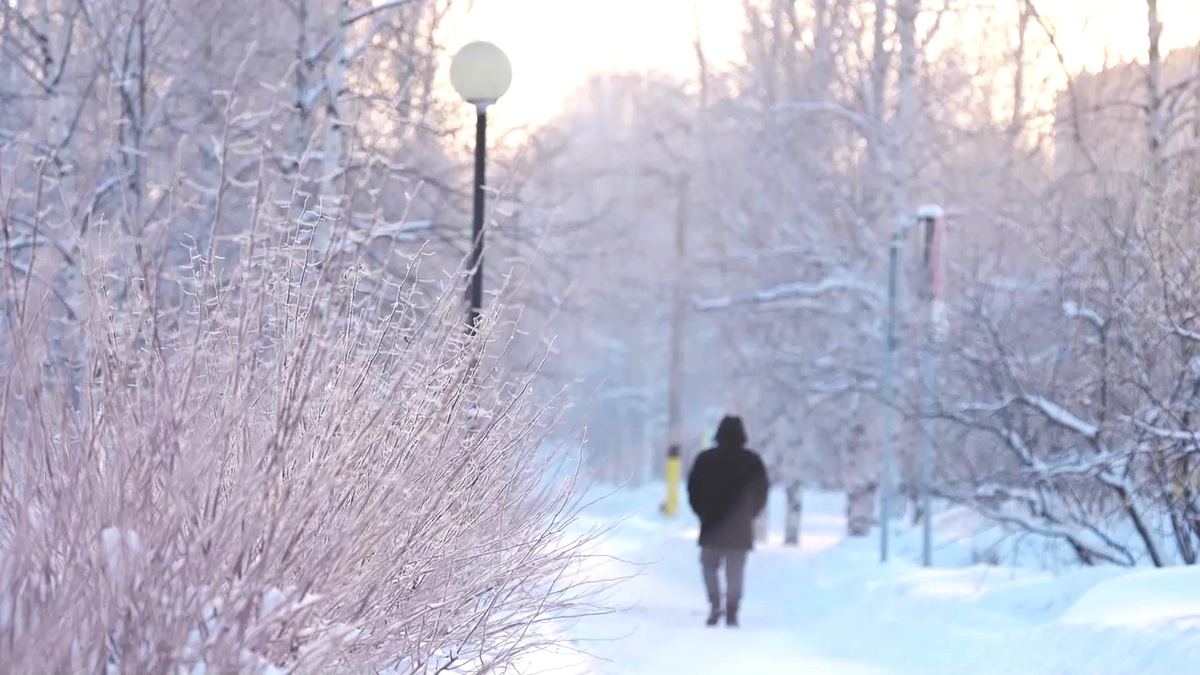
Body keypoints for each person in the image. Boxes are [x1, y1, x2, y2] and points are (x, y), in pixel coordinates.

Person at [686, 414, 769, 627]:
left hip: (712, 524)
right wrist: (750, 514)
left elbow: (693, 490)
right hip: (740, 526)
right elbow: (761, 492)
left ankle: (715, 604)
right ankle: (732, 609)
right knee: (735, 571)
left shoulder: (705, 460)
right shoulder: (752, 461)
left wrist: (703, 513)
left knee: (708, 565)